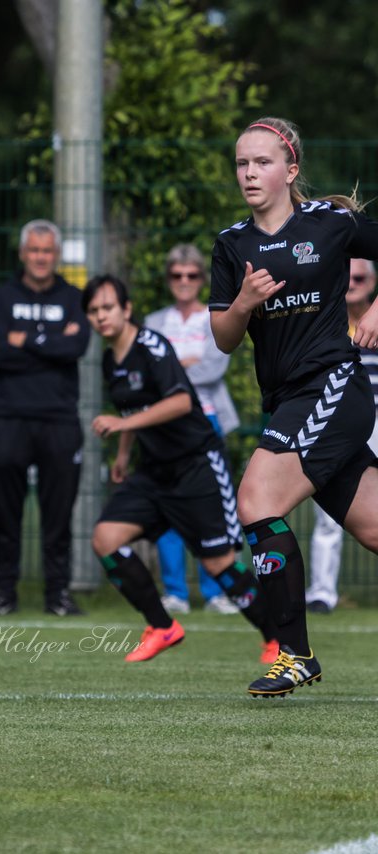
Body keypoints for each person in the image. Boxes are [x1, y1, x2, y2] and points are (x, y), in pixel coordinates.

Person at [210, 117, 378, 697]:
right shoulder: (232, 244)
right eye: (241, 163)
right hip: (289, 401)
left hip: (332, 388)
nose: (249, 173)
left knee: (256, 498)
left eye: (261, 162)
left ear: (291, 170)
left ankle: (295, 654)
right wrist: (242, 303)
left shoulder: (330, 225)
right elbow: (224, 337)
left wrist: (376, 309)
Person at [83, 275, 277, 663]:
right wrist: (123, 454)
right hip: (154, 472)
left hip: (196, 464)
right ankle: (162, 625)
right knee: (106, 538)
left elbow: (179, 404)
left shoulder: (152, 345)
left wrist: (122, 427)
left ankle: (277, 639)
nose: (101, 317)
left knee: (218, 563)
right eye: (93, 311)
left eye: (107, 308)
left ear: (126, 309)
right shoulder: (110, 359)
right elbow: (131, 410)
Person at [0, 219, 91, 616]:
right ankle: (4, 593)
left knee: (58, 515)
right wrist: (51, 342)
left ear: (55, 255)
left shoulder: (75, 298)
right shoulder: (2, 298)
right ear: (23, 254)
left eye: (47, 251)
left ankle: (57, 594)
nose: (41, 257)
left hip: (59, 419)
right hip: (9, 418)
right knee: (6, 514)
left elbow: (76, 346)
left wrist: (24, 339)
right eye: (34, 250)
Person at [144, 244, 242, 616]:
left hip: (208, 419)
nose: (184, 282)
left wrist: (171, 369)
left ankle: (216, 591)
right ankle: (174, 593)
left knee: (211, 508)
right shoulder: (154, 322)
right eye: (176, 275)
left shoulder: (213, 318)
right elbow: (149, 376)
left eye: (191, 275)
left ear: (202, 278)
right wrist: (185, 365)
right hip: (165, 426)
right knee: (168, 507)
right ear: (169, 279)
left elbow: (214, 369)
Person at [307, 258, 378, 614]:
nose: (353, 283)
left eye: (361, 277)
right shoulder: (327, 323)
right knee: (331, 512)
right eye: (346, 276)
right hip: (340, 421)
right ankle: (321, 593)